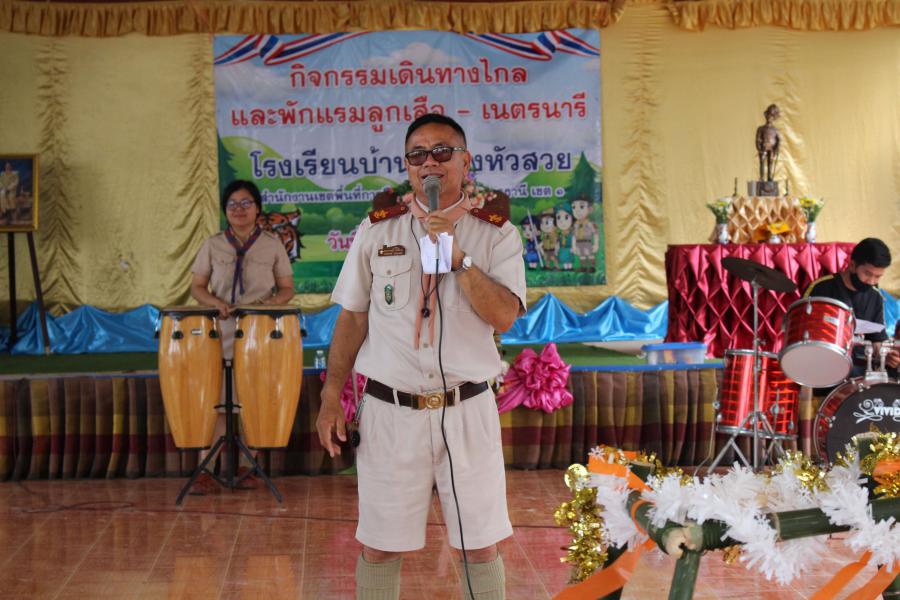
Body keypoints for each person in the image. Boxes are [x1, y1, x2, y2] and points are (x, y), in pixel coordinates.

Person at [316, 113, 525, 600]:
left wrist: (459, 259)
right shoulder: (377, 231)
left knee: (479, 546)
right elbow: (353, 318)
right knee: (379, 545)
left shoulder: (495, 234)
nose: (429, 162)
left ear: (465, 163)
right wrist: (330, 396)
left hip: (467, 410)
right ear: (408, 166)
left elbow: (504, 317)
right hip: (391, 412)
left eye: (442, 152)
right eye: (417, 154)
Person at [189, 180, 294, 491]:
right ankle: (206, 470)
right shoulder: (212, 245)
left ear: (257, 209)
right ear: (225, 210)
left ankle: (249, 468)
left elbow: (287, 289)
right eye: (232, 204)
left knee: (253, 401)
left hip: (260, 333)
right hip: (220, 332)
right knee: (218, 403)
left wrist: (268, 305)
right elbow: (197, 287)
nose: (239, 209)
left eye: (246, 203)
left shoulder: (272, 244)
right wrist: (215, 303)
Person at [804, 237, 899, 385]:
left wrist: (885, 355)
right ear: (853, 265)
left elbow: (877, 339)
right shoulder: (821, 288)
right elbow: (803, 329)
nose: (872, 281)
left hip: (859, 374)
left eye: (878, 276)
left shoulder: (876, 297)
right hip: (822, 365)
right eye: (867, 274)